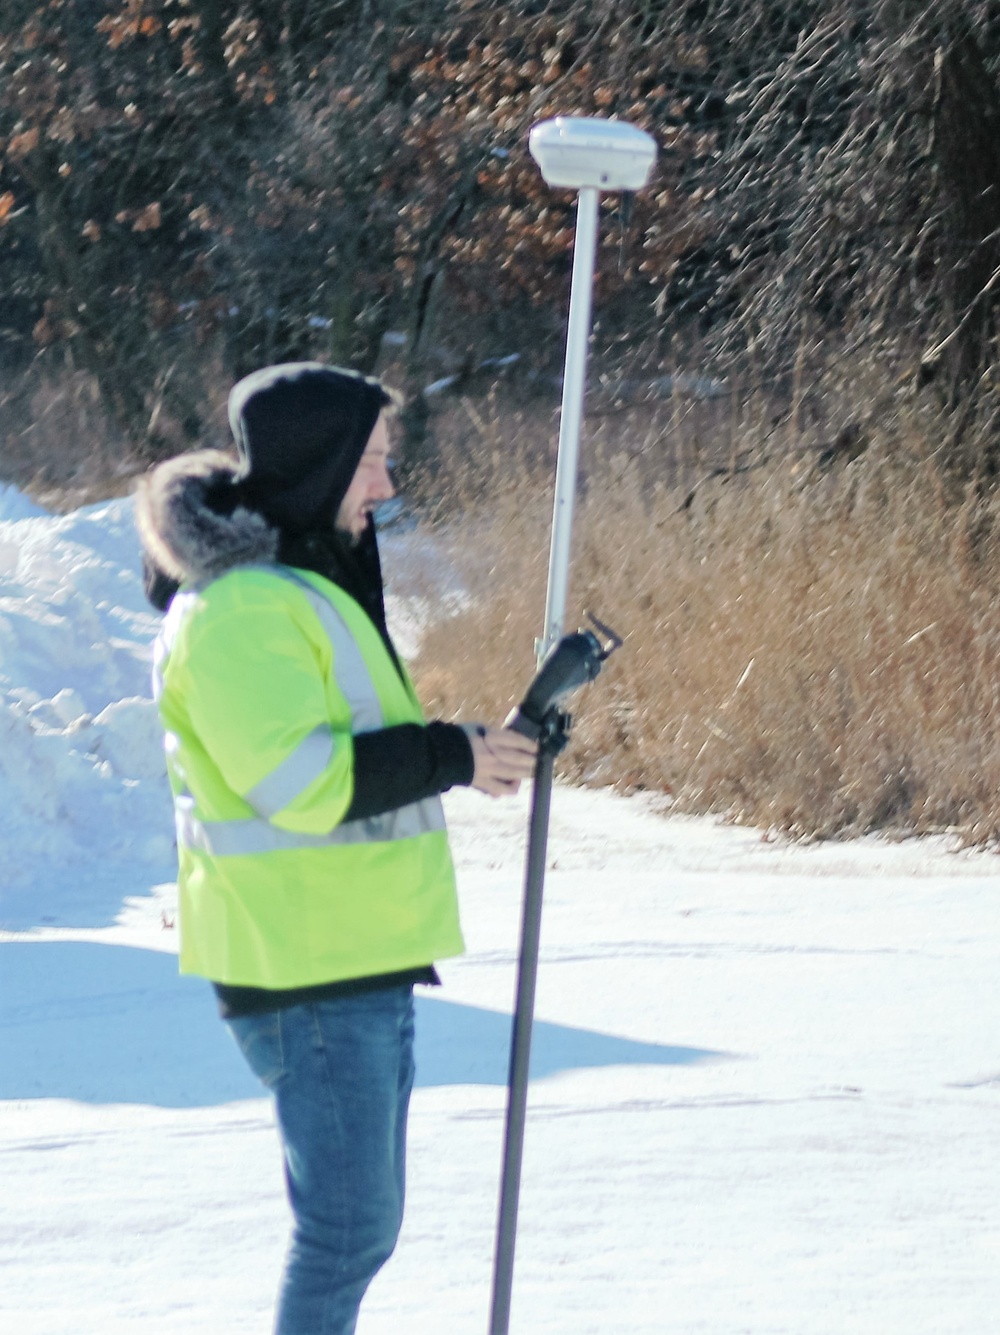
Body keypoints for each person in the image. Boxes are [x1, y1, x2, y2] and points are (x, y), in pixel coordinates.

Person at [135, 362, 537, 1334]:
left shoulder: (304, 588)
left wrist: (475, 752)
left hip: (353, 954)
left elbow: (358, 739)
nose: (386, 487)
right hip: (304, 967)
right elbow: (300, 783)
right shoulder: (239, 612)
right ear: (317, 466)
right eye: (368, 462)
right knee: (347, 1229)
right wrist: (449, 755)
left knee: (358, 1224)